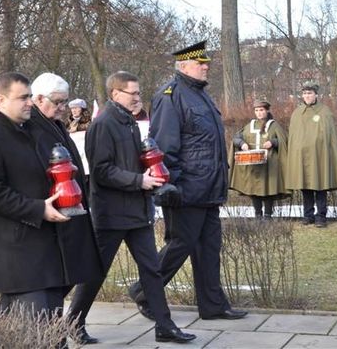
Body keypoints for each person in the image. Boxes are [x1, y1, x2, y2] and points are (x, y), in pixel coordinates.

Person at [0, 72, 102, 342]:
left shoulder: (28, 131)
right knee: (41, 334)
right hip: (15, 252)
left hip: (40, 251)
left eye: (30, 96)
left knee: (28, 332)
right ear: (1, 100)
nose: (30, 102)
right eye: (23, 97)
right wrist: (39, 209)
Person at [67, 71, 195, 344]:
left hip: (137, 212)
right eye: (133, 93)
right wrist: (139, 180)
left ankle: (164, 326)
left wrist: (150, 171)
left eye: (139, 92)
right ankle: (73, 323)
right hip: (112, 214)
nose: (138, 97)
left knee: (152, 270)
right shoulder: (103, 124)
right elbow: (101, 171)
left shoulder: (129, 122)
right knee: (95, 272)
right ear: (115, 94)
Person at [129, 41, 248, 321]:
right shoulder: (170, 96)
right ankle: (143, 291)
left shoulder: (201, 95)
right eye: (200, 63)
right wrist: (172, 185)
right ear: (184, 66)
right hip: (186, 189)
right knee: (180, 245)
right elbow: (164, 145)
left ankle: (213, 305)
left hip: (208, 188)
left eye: (206, 62)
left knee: (209, 248)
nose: (206, 66)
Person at [285, 81, 337, 228]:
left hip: (320, 156)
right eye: (305, 93)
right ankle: (308, 215)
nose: (307, 96)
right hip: (303, 157)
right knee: (305, 186)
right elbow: (294, 136)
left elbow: (329, 136)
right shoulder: (297, 113)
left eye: (310, 93)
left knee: (320, 185)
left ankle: (321, 216)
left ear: (316, 95)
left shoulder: (324, 112)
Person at [229, 99, 290, 218]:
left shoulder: (274, 126)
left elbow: (285, 141)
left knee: (268, 189)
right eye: (256, 110)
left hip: (270, 164)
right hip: (253, 164)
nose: (259, 113)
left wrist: (273, 142)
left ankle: (267, 215)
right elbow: (236, 138)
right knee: (254, 190)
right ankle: (258, 214)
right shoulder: (249, 126)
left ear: (267, 111)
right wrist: (242, 143)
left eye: (261, 110)